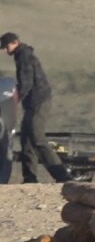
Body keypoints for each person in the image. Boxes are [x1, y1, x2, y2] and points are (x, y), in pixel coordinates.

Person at [1, 32, 72, 183]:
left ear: (15, 42)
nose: (6, 51)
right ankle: (29, 178)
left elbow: (26, 82)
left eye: (6, 47)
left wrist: (15, 98)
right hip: (32, 103)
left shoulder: (24, 56)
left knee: (37, 138)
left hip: (39, 101)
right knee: (26, 139)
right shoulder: (21, 55)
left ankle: (62, 176)